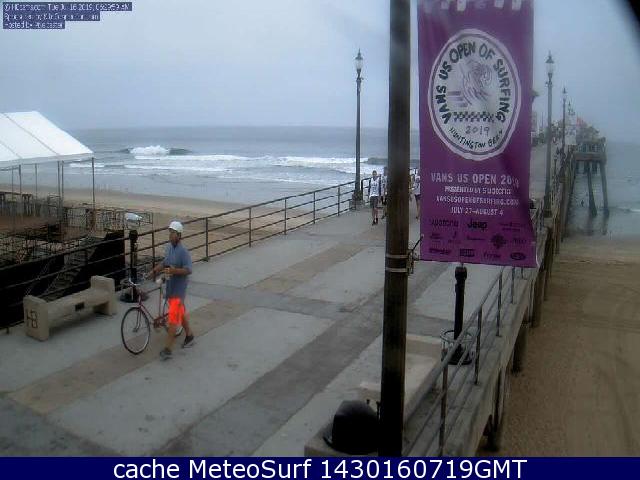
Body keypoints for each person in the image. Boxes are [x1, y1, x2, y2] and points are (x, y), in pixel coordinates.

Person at [149, 221, 195, 359]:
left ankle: (168, 349)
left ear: (179, 235)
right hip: (170, 286)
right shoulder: (169, 248)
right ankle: (189, 336)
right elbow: (165, 263)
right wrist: (154, 271)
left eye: (173, 233)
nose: (170, 235)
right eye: (170, 232)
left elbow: (189, 270)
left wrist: (174, 271)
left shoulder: (183, 252)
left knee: (173, 320)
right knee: (180, 312)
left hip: (179, 289)